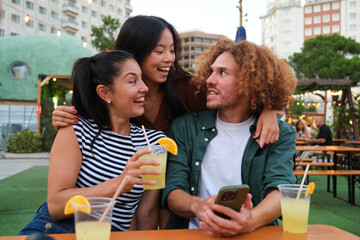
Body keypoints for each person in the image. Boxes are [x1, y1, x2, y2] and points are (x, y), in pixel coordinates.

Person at [50, 15, 280, 229]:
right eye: (159, 51)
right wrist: (66, 117)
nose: (169, 58)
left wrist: (267, 109)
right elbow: (58, 201)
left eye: (172, 50)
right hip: (79, 223)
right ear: (134, 54)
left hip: (161, 190)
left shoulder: (188, 89)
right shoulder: (89, 120)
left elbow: (239, 91)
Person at [19, 50, 165, 235]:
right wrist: (119, 183)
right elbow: (56, 205)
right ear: (104, 92)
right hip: (63, 230)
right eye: (133, 81)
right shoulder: (75, 130)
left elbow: (147, 211)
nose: (144, 87)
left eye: (142, 79)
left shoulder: (153, 142)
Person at [161, 39, 297, 236]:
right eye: (211, 71)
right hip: (194, 233)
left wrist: (250, 220)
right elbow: (173, 190)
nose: (209, 80)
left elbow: (281, 188)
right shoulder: (185, 126)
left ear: (248, 83)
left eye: (222, 72)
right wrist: (199, 206)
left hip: (254, 235)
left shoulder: (280, 133)